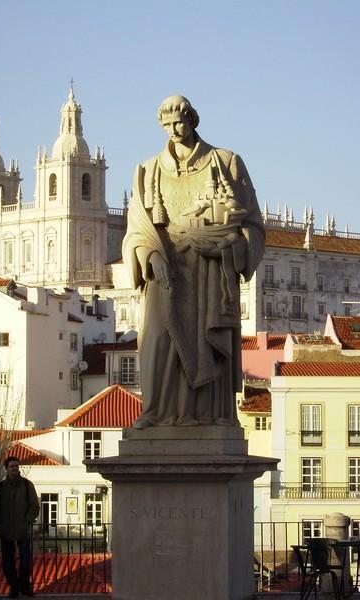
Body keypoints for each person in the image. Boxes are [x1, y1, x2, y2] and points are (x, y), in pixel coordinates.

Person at [123, 95, 264, 428]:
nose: (173, 131)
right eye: (166, 126)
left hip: (209, 272)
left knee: (204, 344)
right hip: (164, 270)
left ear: (192, 121)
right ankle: (155, 413)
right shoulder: (148, 171)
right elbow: (136, 231)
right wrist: (150, 255)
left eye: (178, 123)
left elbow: (252, 225)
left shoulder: (226, 162)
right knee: (157, 341)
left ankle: (206, 416)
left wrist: (227, 246)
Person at [0, 456, 40, 598]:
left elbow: (35, 505)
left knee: (25, 562)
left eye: (16, 466)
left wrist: (28, 520)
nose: (15, 468)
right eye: (12, 466)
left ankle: (25, 587)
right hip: (5, 530)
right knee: (7, 564)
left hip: (23, 530)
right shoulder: (1, 487)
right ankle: (14, 586)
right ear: (6, 468)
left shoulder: (27, 485)